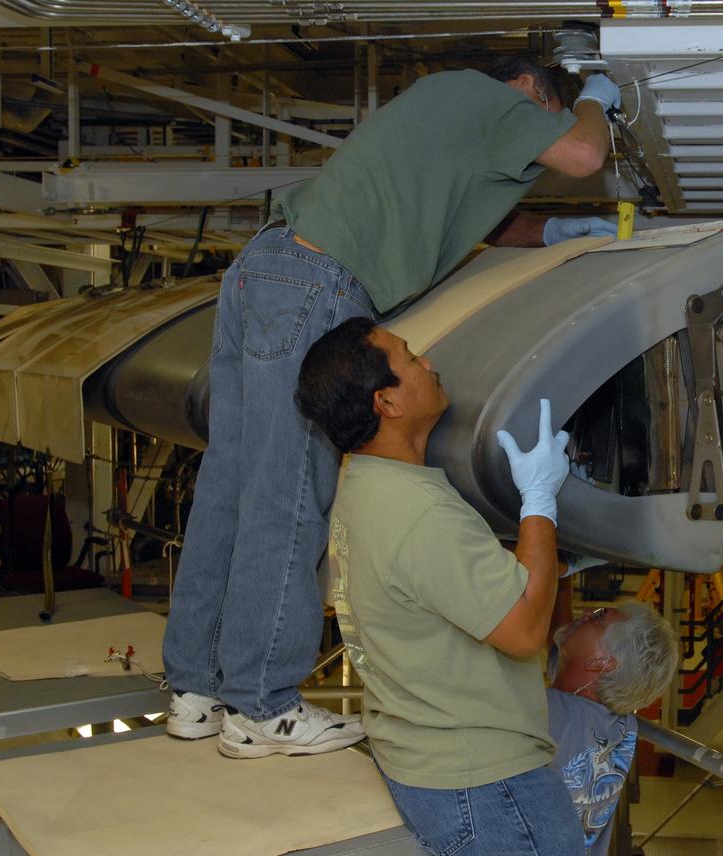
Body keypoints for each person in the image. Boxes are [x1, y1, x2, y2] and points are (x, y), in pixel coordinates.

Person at [162, 55, 621, 756]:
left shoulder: (444, 111)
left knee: (231, 487)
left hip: (266, 271)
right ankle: (262, 705)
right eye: (545, 119)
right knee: (289, 499)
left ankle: (194, 689)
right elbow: (585, 152)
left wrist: (552, 234)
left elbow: (483, 222)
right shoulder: (490, 98)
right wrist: (595, 100)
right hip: (320, 286)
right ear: (531, 91)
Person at [294, 316, 582, 854]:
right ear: (388, 403)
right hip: (486, 783)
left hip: (425, 759)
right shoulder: (421, 514)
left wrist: (544, 561)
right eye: (411, 359)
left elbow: (439, 582)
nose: (429, 364)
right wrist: (539, 502)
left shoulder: (362, 482)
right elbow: (523, 632)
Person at [546, 579, 680, 856]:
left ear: (603, 662)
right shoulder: (622, 725)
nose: (586, 614)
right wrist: (561, 576)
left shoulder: (550, 715)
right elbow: (562, 644)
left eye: (598, 618)